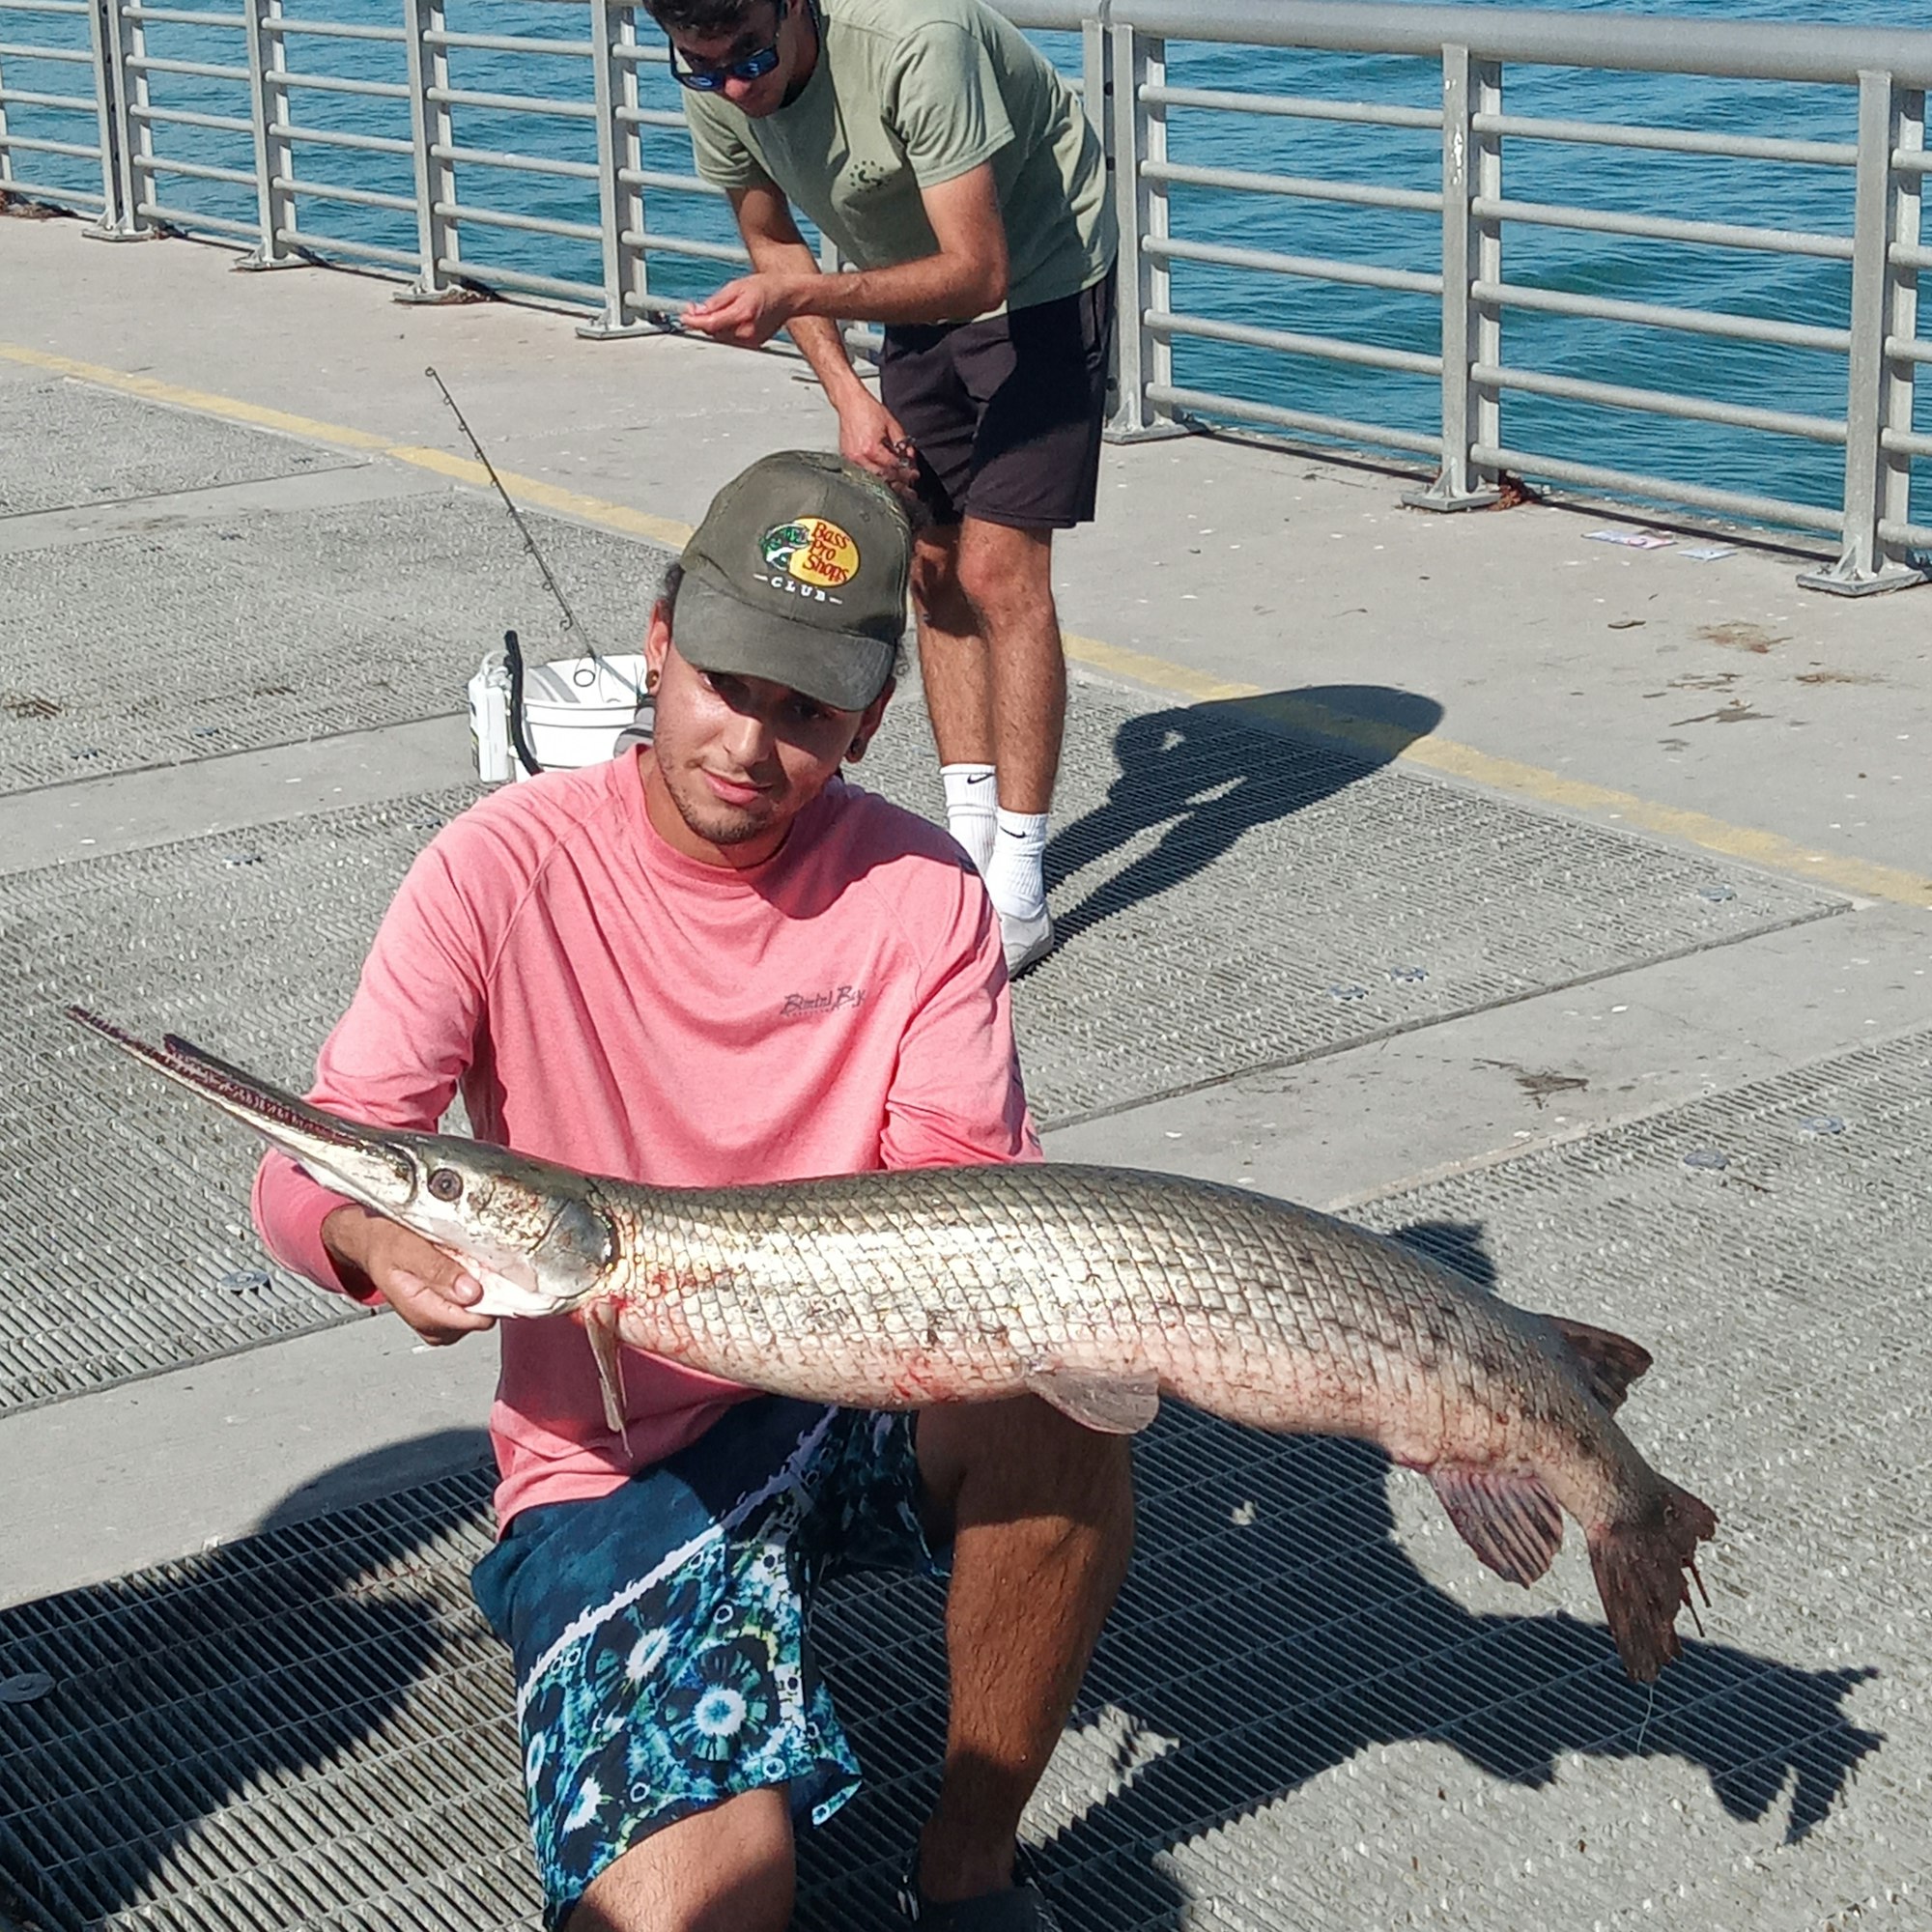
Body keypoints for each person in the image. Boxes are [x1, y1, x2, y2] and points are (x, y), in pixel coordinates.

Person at [251, 450, 1134, 1932]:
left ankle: (968, 1866)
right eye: (726, 679)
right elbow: (316, 1153)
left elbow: (967, 1201)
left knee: (1063, 1403)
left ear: (870, 717)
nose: (749, 741)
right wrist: (362, 1235)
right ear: (659, 641)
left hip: (857, 1388)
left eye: (805, 709)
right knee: (708, 1908)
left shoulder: (924, 895)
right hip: (614, 1470)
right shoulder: (493, 870)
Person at [649, 0, 1118, 977]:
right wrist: (849, 398)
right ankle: (967, 840)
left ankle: (1020, 885)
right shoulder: (710, 74)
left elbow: (974, 268)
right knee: (931, 566)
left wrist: (801, 295)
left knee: (999, 572)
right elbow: (773, 245)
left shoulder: (915, 37)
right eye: (703, 69)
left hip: (1036, 269)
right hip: (907, 274)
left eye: (751, 57)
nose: (734, 87)